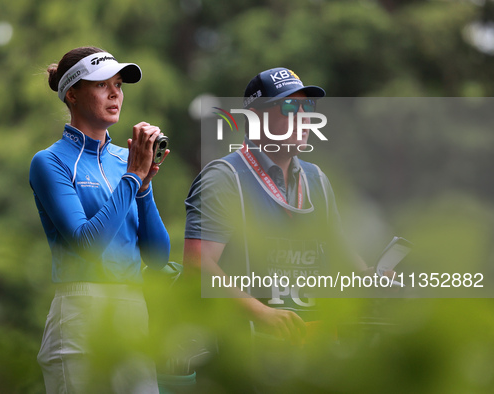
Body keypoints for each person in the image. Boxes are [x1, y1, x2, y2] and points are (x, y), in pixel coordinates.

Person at [184, 67, 370, 348]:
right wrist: (262, 313)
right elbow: (197, 264)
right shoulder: (224, 176)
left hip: (311, 349)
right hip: (243, 352)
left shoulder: (317, 179)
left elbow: (340, 255)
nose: (305, 117)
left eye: (308, 106)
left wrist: (373, 280)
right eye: (289, 106)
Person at [29, 46, 170, 393]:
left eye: (118, 85)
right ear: (72, 94)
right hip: (78, 313)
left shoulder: (128, 159)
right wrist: (133, 177)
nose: (114, 94)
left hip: (133, 311)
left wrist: (143, 186)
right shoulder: (49, 162)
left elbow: (157, 255)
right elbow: (86, 243)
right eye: (101, 85)